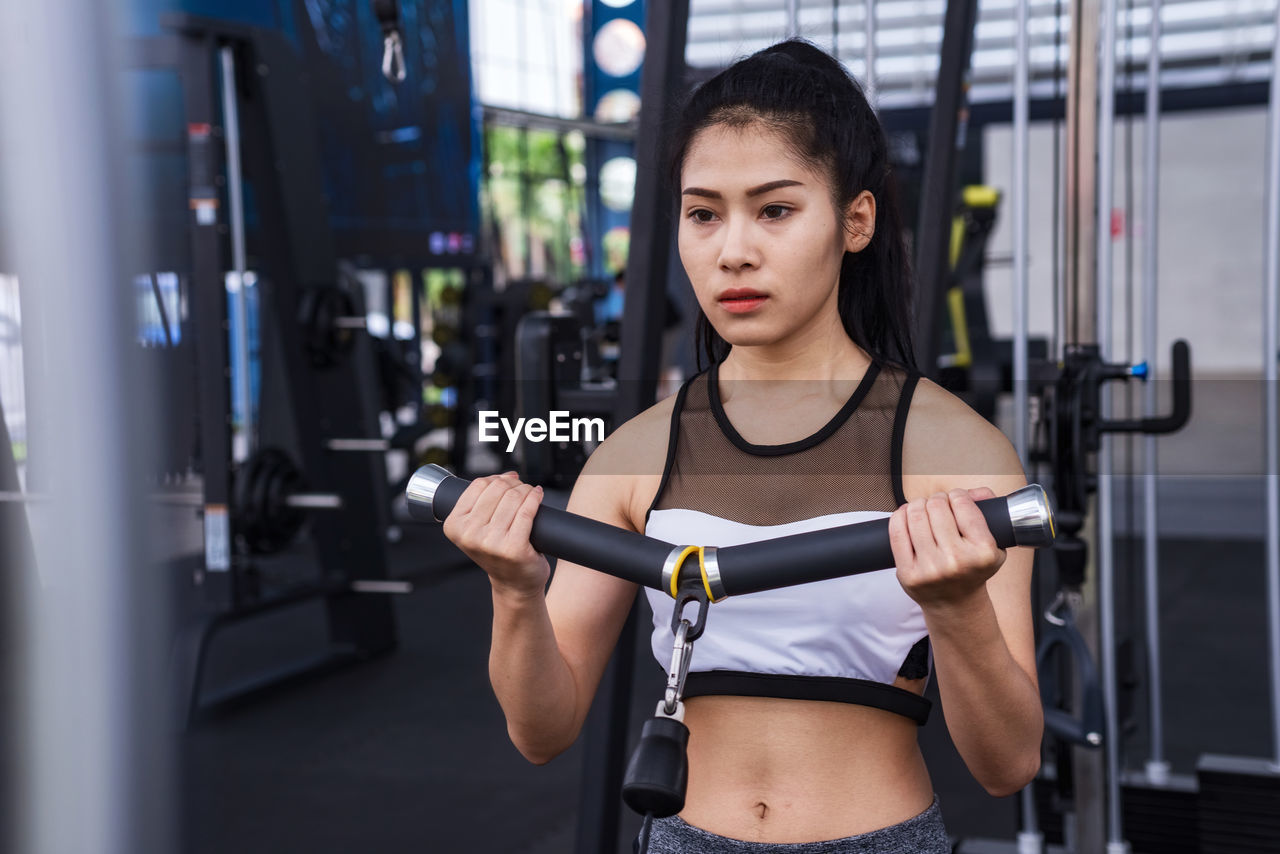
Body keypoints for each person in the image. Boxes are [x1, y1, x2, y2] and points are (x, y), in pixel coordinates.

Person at [441, 39, 1042, 853]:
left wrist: (956, 606)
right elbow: (541, 733)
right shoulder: (634, 456)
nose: (732, 251)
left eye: (776, 210)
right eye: (703, 214)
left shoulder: (952, 452)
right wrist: (513, 591)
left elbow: (1007, 764)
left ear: (854, 221)